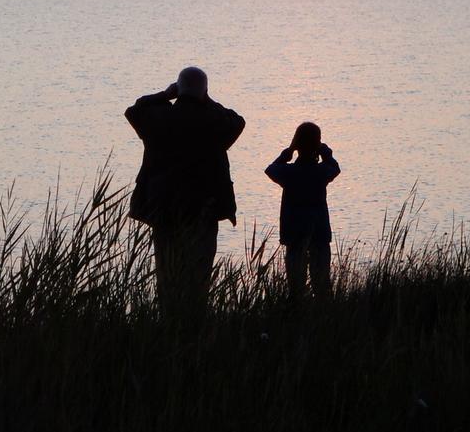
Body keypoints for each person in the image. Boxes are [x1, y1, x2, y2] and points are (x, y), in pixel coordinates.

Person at [125, 67, 245, 308]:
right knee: (199, 274)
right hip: (204, 209)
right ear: (205, 92)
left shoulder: (159, 118)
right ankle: (194, 321)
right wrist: (208, 102)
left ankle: (170, 323)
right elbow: (237, 121)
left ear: (177, 89)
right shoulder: (214, 121)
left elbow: (134, 110)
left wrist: (164, 95)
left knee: (167, 273)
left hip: (164, 208)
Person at [264, 121, 341, 298]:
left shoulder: (288, 173)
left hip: (294, 234)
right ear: (318, 145)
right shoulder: (321, 172)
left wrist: (287, 153)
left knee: (295, 288)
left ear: (296, 144)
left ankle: (297, 315)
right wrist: (326, 153)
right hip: (319, 233)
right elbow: (335, 168)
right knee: (322, 286)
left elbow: (270, 169)